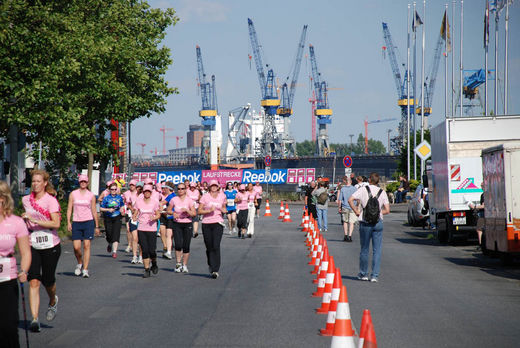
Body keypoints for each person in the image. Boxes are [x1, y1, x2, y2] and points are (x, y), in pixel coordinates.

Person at [21, 169, 62, 332]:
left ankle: (53, 300)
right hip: (32, 243)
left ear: (45, 183)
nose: (35, 184)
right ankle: (35, 318)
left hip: (50, 244)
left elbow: (56, 224)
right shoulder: (26, 200)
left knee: (48, 280)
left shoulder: (50, 201)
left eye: (38, 181)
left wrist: (34, 219)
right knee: (34, 280)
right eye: (33, 181)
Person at [0, 181, 31, 345]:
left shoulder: (16, 222)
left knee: (8, 327)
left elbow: (25, 252)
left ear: (3, 199)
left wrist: (24, 270)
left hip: (7, 278)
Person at [348, 172, 390, 283]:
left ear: (369, 180)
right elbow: (388, 210)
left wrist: (357, 211)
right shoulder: (382, 192)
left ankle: (363, 274)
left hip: (365, 221)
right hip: (378, 222)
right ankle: (375, 276)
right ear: (378, 181)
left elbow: (350, 200)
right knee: (377, 250)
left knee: (365, 249)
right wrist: (379, 213)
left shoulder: (363, 189)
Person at [66, 174, 99, 278]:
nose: (83, 183)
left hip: (88, 222)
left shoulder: (91, 195)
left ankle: (85, 269)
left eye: (85, 181)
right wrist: (68, 222)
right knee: (76, 247)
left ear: (87, 183)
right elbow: (69, 209)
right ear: (79, 182)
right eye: (81, 181)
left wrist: (96, 226)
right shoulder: (73, 194)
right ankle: (80, 262)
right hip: (76, 222)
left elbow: (94, 210)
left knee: (86, 246)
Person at [198, 180, 227, 279]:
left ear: (218, 187)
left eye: (215, 186)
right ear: (209, 187)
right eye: (212, 186)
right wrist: (208, 210)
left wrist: (223, 210)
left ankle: (215, 269)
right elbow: (199, 211)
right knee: (209, 246)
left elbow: (224, 208)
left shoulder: (222, 196)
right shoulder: (205, 197)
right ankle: (210, 263)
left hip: (218, 223)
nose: (214, 187)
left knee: (216, 245)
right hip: (206, 223)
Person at [131, 184, 161, 278]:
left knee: (152, 250)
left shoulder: (154, 202)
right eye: (145, 191)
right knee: (144, 250)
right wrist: (134, 217)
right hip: (141, 228)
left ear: (151, 193)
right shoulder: (139, 202)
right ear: (143, 192)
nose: (147, 193)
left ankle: (154, 263)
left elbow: (158, 214)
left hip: (152, 228)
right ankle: (147, 269)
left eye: (149, 191)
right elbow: (136, 212)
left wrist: (154, 217)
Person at [167, 183, 196, 273]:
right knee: (178, 245)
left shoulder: (189, 200)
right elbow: (168, 210)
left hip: (187, 224)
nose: (180, 190)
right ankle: (178, 263)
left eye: (182, 188)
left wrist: (187, 210)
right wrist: (173, 213)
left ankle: (185, 265)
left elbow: (194, 214)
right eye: (179, 189)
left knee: (186, 246)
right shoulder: (173, 199)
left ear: (185, 189)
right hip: (177, 224)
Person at [100, 182, 125, 258]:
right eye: (112, 189)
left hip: (117, 217)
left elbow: (122, 206)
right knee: (109, 233)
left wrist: (122, 210)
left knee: (116, 234)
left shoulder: (119, 198)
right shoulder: (106, 198)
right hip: (108, 217)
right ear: (109, 190)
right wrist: (108, 209)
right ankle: (110, 243)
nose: (114, 191)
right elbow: (101, 208)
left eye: (115, 189)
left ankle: (114, 252)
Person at [338, 176, 357, 242]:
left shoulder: (343, 189)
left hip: (345, 206)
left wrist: (339, 207)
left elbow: (340, 199)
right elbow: (357, 199)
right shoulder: (355, 189)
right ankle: (350, 236)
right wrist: (357, 206)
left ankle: (345, 235)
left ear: (346, 182)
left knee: (345, 221)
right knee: (351, 222)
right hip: (353, 207)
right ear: (351, 182)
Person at [159, 182, 175, 259]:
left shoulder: (171, 196)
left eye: (165, 188)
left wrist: (160, 209)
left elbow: (161, 203)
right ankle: (168, 251)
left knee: (170, 235)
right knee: (169, 235)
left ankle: (170, 250)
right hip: (170, 217)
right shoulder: (171, 195)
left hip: (173, 217)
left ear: (168, 189)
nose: (164, 190)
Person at [123, 180, 138, 253]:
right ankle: (129, 245)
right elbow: (123, 202)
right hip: (128, 212)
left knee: (135, 230)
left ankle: (135, 243)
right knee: (128, 229)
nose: (131, 186)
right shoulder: (126, 193)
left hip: (137, 213)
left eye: (133, 185)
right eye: (130, 185)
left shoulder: (138, 193)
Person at [469, 182, 485, 250]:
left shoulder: (484, 195)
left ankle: (481, 244)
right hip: (485, 214)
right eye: (481, 186)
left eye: (482, 186)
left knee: (479, 229)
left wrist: (474, 207)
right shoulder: (484, 195)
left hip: (483, 214)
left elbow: (484, 206)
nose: (481, 187)